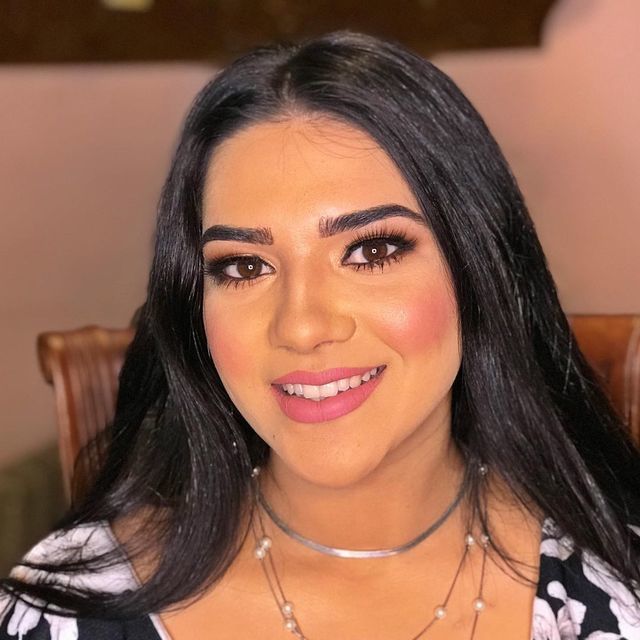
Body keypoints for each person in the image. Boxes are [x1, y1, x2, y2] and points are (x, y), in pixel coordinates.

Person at [1, 30, 639, 640]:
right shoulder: (65, 613)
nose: (302, 326)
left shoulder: (616, 582)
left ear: (478, 267)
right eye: (244, 267)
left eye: (372, 251)